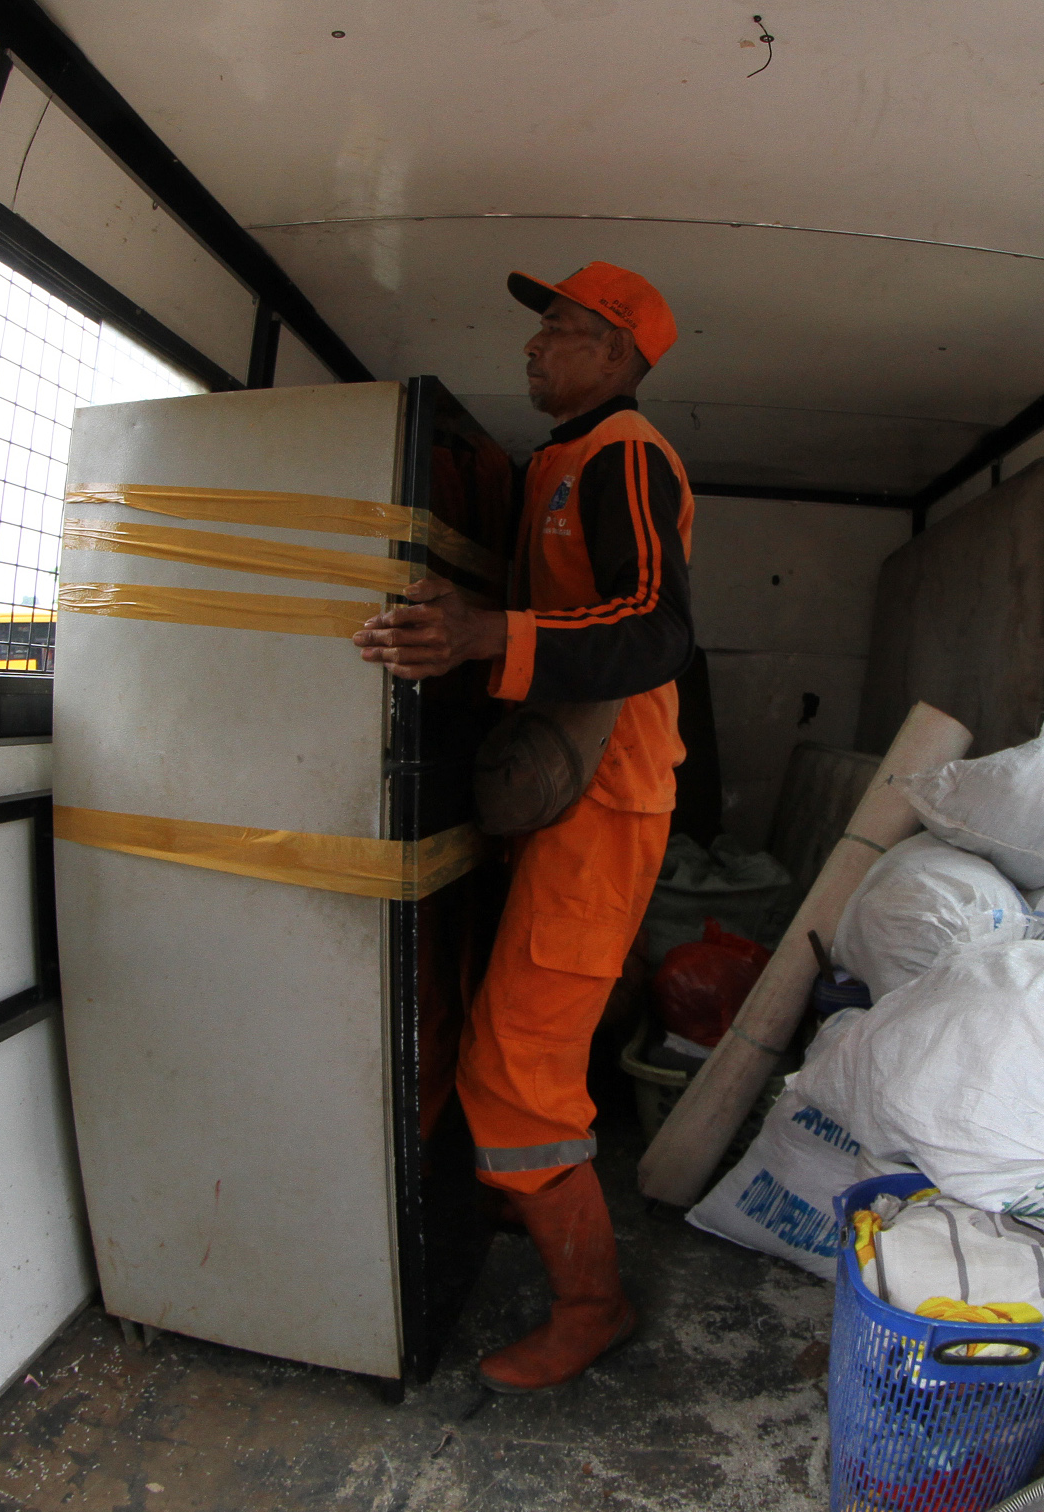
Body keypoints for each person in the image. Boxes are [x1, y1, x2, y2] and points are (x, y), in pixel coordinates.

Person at [353, 262, 694, 1393]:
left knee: (516, 1075)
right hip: (557, 792)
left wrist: (489, 637)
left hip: (604, 803)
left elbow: (652, 631)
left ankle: (592, 1306)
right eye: (539, 330)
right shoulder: (553, 463)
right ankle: (531, 1208)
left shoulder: (624, 456)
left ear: (619, 351)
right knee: (513, 1039)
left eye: (559, 329)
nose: (534, 347)